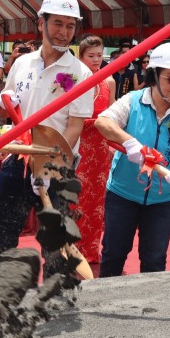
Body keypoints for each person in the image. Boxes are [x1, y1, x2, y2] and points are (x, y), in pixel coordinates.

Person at [0, 0, 94, 279]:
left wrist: (50, 167)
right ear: (41, 23)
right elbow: (8, 104)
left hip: (57, 168)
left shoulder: (81, 74)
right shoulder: (22, 63)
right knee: (5, 235)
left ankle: (53, 298)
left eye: (70, 25)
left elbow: (74, 127)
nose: (64, 32)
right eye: (57, 23)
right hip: (16, 163)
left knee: (55, 243)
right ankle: (5, 296)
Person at [95, 42, 170, 277]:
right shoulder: (132, 101)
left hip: (163, 200)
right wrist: (129, 142)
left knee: (154, 261)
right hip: (123, 194)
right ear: (154, 76)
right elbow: (103, 122)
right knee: (113, 255)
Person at [75, 34, 116, 263]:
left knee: (96, 201)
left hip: (100, 147)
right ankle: (70, 248)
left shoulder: (109, 81)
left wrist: (112, 146)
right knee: (75, 196)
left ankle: (91, 250)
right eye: (91, 56)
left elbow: (111, 116)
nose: (96, 60)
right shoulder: (72, 80)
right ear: (80, 57)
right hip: (78, 144)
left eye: (100, 55)